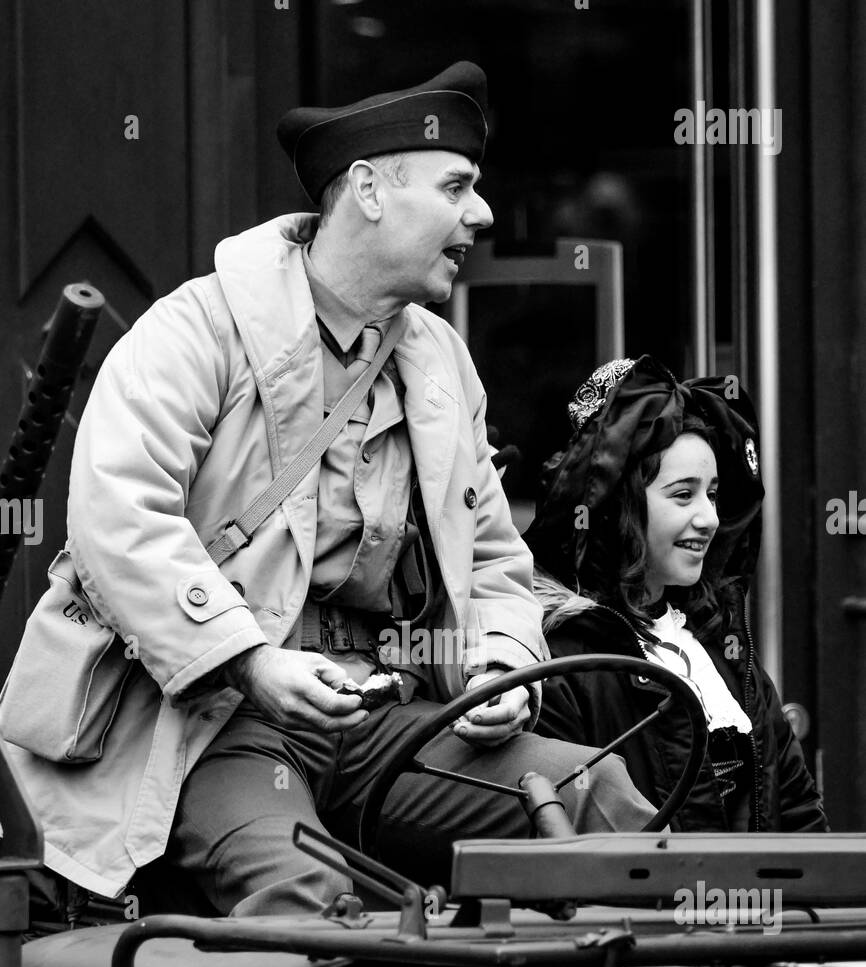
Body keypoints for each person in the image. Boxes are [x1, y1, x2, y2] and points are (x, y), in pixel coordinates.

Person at [0, 63, 657, 922]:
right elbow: (116, 520)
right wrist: (250, 660)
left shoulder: (440, 362)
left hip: (383, 716)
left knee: (598, 800)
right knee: (303, 897)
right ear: (370, 191)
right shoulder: (195, 332)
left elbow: (496, 560)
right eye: (456, 186)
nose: (482, 214)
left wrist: (505, 667)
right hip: (213, 724)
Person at [524, 355, 828, 832]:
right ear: (618, 506)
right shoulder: (562, 665)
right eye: (683, 495)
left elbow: (800, 816)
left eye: (712, 494)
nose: (708, 518)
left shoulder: (721, 650)